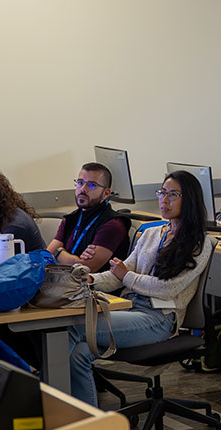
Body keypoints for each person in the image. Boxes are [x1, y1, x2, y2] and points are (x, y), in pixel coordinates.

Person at [67, 170, 212, 408]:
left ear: (190, 200)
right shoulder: (151, 233)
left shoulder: (200, 243)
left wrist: (127, 276)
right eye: (162, 193)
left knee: (74, 327)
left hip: (159, 319)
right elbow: (116, 277)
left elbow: (167, 289)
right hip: (133, 309)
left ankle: (46, 404)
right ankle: (84, 419)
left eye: (173, 194)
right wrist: (89, 279)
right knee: (79, 353)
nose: (164, 200)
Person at [48, 162, 131, 273]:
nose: (83, 189)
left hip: (94, 287)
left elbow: (85, 270)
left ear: (106, 193)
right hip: (65, 282)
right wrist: (74, 260)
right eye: (80, 183)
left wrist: (58, 252)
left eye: (92, 185)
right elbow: (46, 257)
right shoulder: (71, 218)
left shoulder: (112, 225)